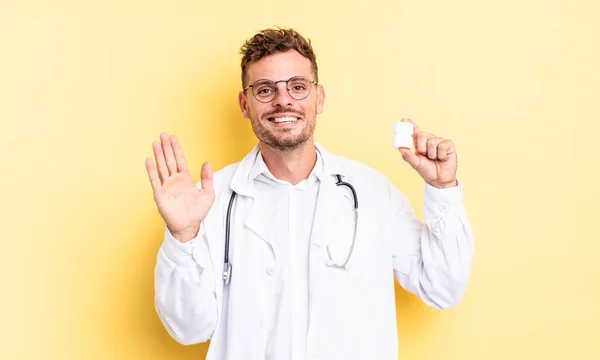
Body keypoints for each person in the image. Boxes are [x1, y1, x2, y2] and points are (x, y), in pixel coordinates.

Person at [146, 28, 474, 360]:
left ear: (319, 98)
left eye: (298, 87)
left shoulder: (374, 194)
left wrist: (443, 189)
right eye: (265, 90)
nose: (283, 100)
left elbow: (443, 288)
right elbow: (188, 330)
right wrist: (183, 237)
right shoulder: (208, 204)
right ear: (244, 105)